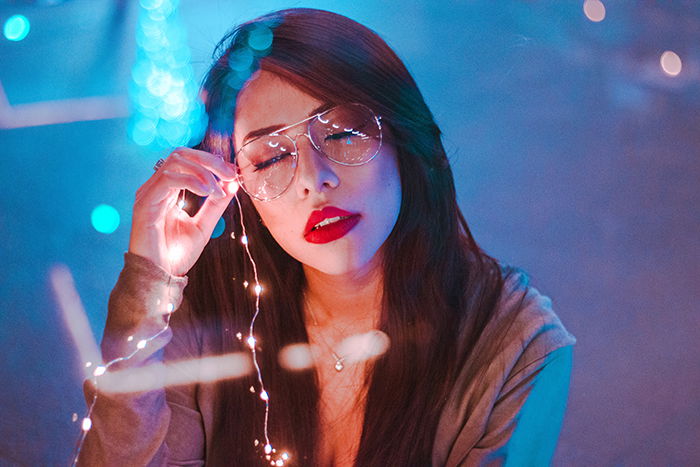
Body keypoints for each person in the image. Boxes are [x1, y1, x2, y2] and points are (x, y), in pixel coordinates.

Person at [80, 8, 576, 467]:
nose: (314, 179)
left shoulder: (513, 347)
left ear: (404, 139)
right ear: (238, 186)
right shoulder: (209, 309)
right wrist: (149, 284)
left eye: (341, 132)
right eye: (271, 157)